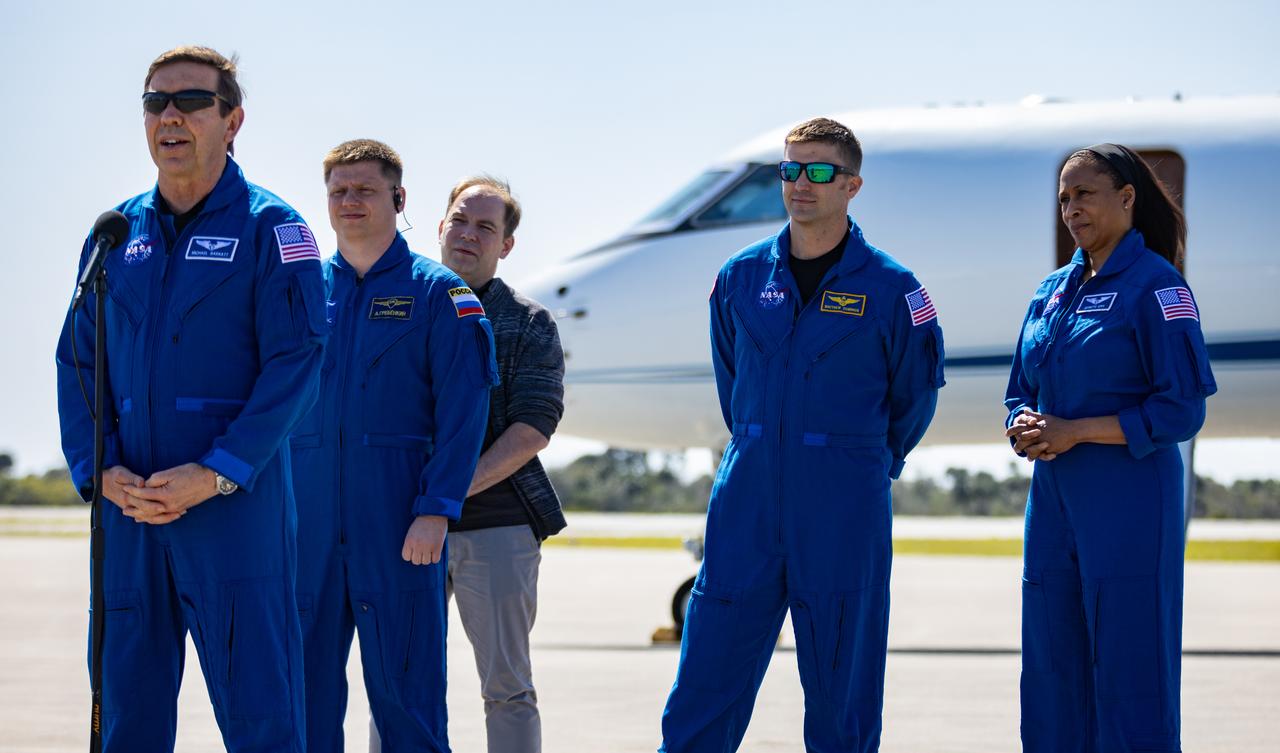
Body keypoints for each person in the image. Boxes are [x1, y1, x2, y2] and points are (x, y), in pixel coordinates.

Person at [54, 46, 327, 751]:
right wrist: (100, 470)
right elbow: (78, 358)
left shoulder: (276, 230)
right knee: (123, 719)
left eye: (191, 102)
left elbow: (296, 363)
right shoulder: (114, 235)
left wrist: (215, 472)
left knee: (262, 718)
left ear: (232, 119)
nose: (169, 116)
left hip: (234, 516)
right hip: (130, 511)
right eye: (155, 102)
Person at [659, 117, 945, 753]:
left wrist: (857, 461)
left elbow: (914, 399)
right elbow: (732, 379)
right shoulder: (738, 278)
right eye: (790, 170)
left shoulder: (894, 290)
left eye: (820, 171)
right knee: (704, 689)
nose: (801, 184)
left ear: (853, 186)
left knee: (843, 698)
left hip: (844, 511)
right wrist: (765, 449)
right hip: (746, 508)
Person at [1004, 144, 1216, 752]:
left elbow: (1181, 408)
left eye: (1085, 194)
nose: (1071, 208)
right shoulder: (1051, 291)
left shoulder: (1157, 287)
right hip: (1053, 501)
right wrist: (1022, 423)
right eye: (1064, 198)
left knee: (1131, 668)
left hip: (1128, 495)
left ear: (1126, 199)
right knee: (1050, 664)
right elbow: (1021, 387)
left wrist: (1075, 431)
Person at [291, 140, 498, 753]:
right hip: (304, 531)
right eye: (338, 191)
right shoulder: (297, 290)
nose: (349, 202)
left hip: (399, 529)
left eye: (365, 190)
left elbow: (465, 414)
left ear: (399, 199)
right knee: (299, 707)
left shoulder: (442, 296)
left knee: (408, 709)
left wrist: (436, 509)